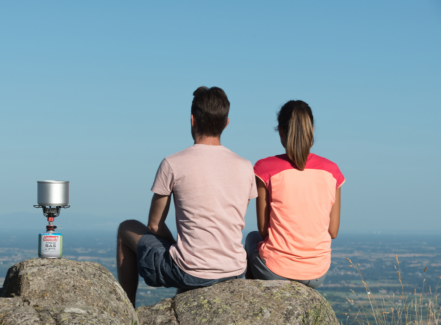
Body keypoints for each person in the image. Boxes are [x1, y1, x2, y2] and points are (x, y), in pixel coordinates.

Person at [116, 86, 257, 307]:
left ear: (192, 120)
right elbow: (234, 219)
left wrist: (174, 245)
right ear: (226, 123)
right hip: (233, 270)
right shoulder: (245, 166)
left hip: (189, 272)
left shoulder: (173, 163)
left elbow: (154, 226)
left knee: (126, 228)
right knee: (189, 257)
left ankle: (126, 311)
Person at [245, 100, 344, 289]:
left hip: (274, 271)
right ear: (312, 130)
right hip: (317, 273)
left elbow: (264, 230)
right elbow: (333, 231)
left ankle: (255, 304)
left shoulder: (264, 169)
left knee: (251, 238)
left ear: (281, 131)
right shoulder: (333, 172)